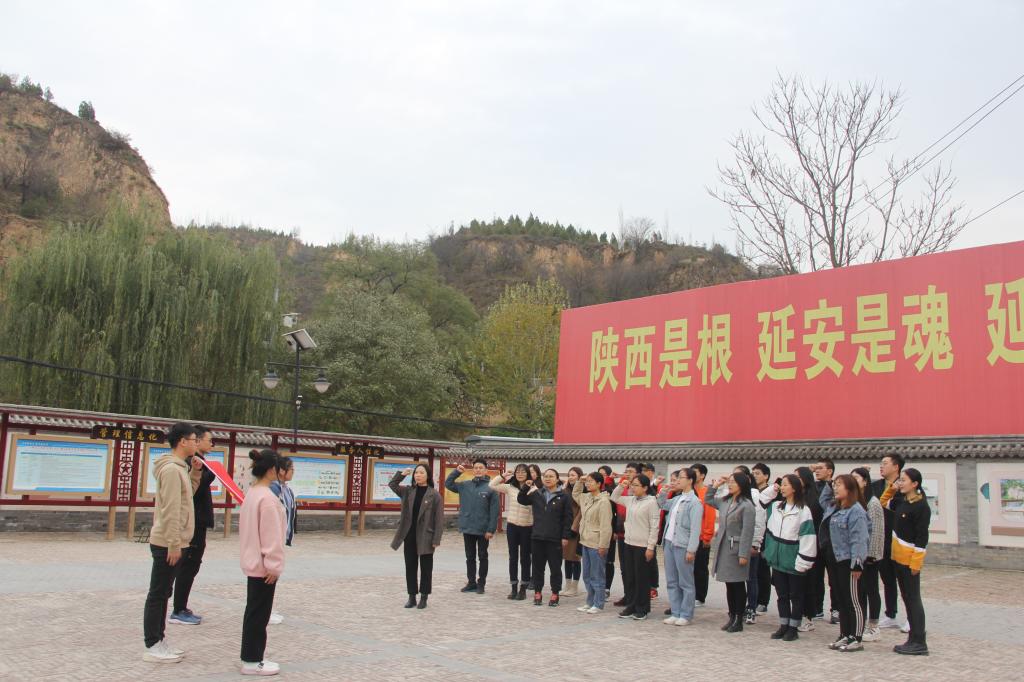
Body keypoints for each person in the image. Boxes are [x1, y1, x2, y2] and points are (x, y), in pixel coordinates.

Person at [143, 422, 198, 663]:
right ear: (182, 441)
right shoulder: (172, 470)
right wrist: (174, 543)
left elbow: (186, 499)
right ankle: (153, 643)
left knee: (164, 592)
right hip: (167, 543)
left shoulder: (181, 468)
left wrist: (195, 473)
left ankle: (159, 639)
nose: (196, 444)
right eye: (194, 439)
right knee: (158, 593)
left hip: (175, 541)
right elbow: (171, 510)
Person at [239, 449, 287, 676]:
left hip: (252, 561)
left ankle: (251, 656)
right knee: (259, 615)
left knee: (254, 612)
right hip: (263, 566)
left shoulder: (253, 493)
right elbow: (271, 536)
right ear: (271, 470)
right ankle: (252, 660)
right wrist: (274, 565)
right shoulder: (268, 499)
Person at [880, 468, 931, 656]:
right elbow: (883, 502)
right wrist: (891, 489)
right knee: (907, 598)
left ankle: (919, 640)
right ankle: (912, 638)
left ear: (915, 484)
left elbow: (922, 537)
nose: (900, 483)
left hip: (910, 561)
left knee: (913, 599)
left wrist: (916, 562)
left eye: (903, 480)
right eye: (899, 480)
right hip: (898, 558)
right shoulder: (901, 502)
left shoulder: (921, 506)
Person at [169, 424, 216, 626]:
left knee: (193, 565)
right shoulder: (189, 463)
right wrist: (210, 472)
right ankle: (178, 609)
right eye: (209, 440)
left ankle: (181, 606)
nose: (211, 444)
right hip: (192, 521)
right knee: (188, 565)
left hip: (199, 520)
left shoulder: (198, 461)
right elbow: (190, 491)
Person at [761, 473, 816, 642]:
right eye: (782, 484)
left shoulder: (803, 510)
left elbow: (808, 537)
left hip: (793, 559)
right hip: (777, 559)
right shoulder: (776, 506)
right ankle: (783, 624)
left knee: (796, 596)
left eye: (786, 485)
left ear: (795, 488)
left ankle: (793, 627)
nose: (782, 487)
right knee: (782, 595)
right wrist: (773, 488)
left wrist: (803, 561)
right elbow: (761, 501)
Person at [820, 474, 870, 652]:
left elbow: (859, 538)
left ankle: (856, 637)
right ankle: (845, 634)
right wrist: (828, 483)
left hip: (849, 560)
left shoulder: (856, 511)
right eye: (834, 484)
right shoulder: (835, 507)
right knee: (841, 599)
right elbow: (823, 500)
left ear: (850, 489)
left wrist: (857, 563)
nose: (835, 487)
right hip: (835, 559)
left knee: (853, 600)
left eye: (839, 484)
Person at [705, 471, 757, 632]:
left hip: (737, 549)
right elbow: (708, 499)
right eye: (730, 481)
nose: (730, 484)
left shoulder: (747, 505)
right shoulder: (726, 501)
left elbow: (747, 532)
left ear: (742, 484)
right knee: (729, 584)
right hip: (724, 548)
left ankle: (739, 619)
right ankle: (732, 616)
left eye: (734, 482)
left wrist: (743, 554)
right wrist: (715, 486)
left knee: (738, 584)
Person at [389, 463, 444, 609]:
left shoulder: (435, 495)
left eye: (421, 473)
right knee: (410, 566)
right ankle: (411, 596)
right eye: (416, 473)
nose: (418, 475)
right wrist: (402, 474)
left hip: (426, 536)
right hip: (409, 534)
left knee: (426, 568)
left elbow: (439, 519)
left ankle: (424, 597)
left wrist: (436, 539)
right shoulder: (408, 491)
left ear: (428, 475)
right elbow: (392, 485)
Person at [517, 468, 573, 606]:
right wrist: (525, 487)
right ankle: (538, 592)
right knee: (537, 568)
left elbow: (568, 518)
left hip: (555, 538)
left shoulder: (564, 496)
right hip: (537, 537)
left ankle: (555, 593)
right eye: (545, 476)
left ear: (557, 479)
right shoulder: (537, 493)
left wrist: (565, 536)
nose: (548, 479)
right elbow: (522, 500)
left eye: (551, 476)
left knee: (555, 568)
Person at [610, 474, 661, 621]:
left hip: (643, 545)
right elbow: (614, 497)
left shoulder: (651, 502)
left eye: (636, 485)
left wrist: (650, 547)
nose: (633, 487)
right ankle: (631, 605)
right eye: (632, 485)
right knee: (630, 577)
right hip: (629, 543)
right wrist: (622, 486)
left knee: (642, 578)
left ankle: (642, 608)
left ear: (645, 487)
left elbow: (654, 526)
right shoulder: (631, 500)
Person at [445, 459, 499, 594]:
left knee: (482, 556)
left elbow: (494, 511)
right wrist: (456, 472)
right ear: (473, 470)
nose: (478, 470)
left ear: (486, 470)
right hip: (467, 527)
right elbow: (448, 484)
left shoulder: (491, 488)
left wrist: (491, 529)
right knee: (470, 557)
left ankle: (481, 584)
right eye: (476, 468)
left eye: (481, 468)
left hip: (483, 529)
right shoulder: (465, 485)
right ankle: (471, 582)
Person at [657, 467, 703, 626]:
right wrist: (664, 491)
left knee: (685, 582)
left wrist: (691, 549)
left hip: (683, 545)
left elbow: (695, 529)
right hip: (669, 542)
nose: (677, 481)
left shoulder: (695, 502)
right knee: (672, 580)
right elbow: (662, 504)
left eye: (681, 478)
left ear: (690, 480)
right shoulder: (677, 499)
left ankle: (686, 614)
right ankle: (675, 612)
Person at [490, 463, 534, 600]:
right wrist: (503, 475)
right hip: (512, 526)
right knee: (513, 557)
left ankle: (523, 589)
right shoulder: (510, 487)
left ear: (528, 474)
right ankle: (513, 587)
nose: (520, 474)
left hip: (527, 526)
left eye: (523, 472)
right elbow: (492, 485)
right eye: (518, 472)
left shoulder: (533, 489)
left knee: (525, 558)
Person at [872, 453, 905, 631]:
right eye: (881, 463)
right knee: (887, 579)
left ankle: (911, 617)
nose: (881, 466)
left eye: (885, 463)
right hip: (881, 538)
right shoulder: (876, 486)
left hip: (899, 539)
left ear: (896, 466)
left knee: (905, 580)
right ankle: (891, 614)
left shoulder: (905, 485)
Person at [571, 471, 613, 613]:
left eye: (591, 481)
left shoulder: (604, 501)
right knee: (587, 575)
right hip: (585, 541)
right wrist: (580, 481)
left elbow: (606, 526)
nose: (588, 484)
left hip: (597, 543)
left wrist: (603, 545)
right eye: (587, 481)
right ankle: (590, 601)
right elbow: (575, 494)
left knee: (597, 575)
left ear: (599, 484)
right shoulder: (586, 497)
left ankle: (598, 603)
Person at [852, 467, 885, 642]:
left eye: (856, 478)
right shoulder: (855, 501)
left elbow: (877, 531)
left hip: (870, 556)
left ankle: (874, 626)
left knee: (871, 590)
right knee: (860, 591)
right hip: (858, 554)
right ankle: (862, 623)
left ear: (865, 481)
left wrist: (871, 555)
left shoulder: (873, 503)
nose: (853, 481)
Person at [733, 465, 767, 625]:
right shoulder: (734, 495)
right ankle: (736, 608)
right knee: (736, 578)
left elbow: (759, 522)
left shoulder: (754, 495)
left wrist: (756, 543)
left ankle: (751, 608)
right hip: (734, 543)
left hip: (750, 543)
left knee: (751, 578)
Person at [266, 456, 296, 625]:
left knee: (274, 574)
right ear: (282, 471)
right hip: (273, 537)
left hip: (281, 536)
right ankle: (265, 611)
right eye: (291, 469)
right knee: (268, 573)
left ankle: (267, 608)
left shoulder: (285, 489)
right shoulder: (273, 489)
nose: (293, 472)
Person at [796, 465, 824, 631]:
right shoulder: (795, 497)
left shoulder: (814, 499)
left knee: (809, 582)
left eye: (798, 477)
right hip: (794, 544)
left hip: (810, 545)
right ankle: (798, 614)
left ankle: (809, 616)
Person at [611, 462, 641, 607]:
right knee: (624, 567)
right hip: (622, 533)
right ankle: (628, 595)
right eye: (626, 471)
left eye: (631, 471)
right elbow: (614, 499)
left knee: (635, 568)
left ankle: (637, 597)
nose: (627, 474)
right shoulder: (622, 489)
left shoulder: (641, 491)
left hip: (637, 535)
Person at [813, 456, 838, 624]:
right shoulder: (813, 487)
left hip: (832, 539)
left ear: (830, 471)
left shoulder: (836, 487)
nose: (817, 471)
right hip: (815, 537)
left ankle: (836, 609)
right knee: (816, 576)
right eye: (816, 468)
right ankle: (817, 608)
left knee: (834, 578)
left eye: (820, 468)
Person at [691, 463, 717, 607]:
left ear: (702, 475)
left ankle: (700, 596)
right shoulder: (689, 491)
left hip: (701, 537)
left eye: (695, 472)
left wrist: (707, 536)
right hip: (688, 537)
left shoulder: (706, 492)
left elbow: (710, 516)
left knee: (700, 568)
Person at [751, 462, 775, 614]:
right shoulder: (752, 492)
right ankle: (753, 599)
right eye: (753, 473)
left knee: (763, 568)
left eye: (758, 473)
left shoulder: (772, 492)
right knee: (753, 569)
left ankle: (763, 601)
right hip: (753, 532)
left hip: (766, 533)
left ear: (766, 476)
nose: (755, 476)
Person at [562, 467, 584, 597]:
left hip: (576, 529)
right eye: (569, 475)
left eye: (573, 475)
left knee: (575, 558)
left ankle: (574, 587)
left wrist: (575, 527)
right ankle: (567, 585)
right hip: (565, 527)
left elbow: (582, 512)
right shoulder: (565, 491)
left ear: (579, 477)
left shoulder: (583, 491)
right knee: (566, 558)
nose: (570, 477)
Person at [641, 463, 662, 599]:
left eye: (646, 470)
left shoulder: (657, 487)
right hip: (640, 528)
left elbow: (655, 498)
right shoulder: (638, 486)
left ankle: (653, 587)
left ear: (651, 472)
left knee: (651, 559)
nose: (643, 472)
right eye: (642, 470)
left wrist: (654, 485)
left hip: (652, 527)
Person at [598, 465, 618, 597]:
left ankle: (606, 587)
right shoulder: (595, 490)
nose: (601, 477)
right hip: (596, 530)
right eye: (599, 474)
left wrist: (615, 530)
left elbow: (617, 513)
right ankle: (597, 586)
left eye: (604, 474)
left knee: (608, 560)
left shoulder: (613, 491)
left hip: (610, 529)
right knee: (597, 559)